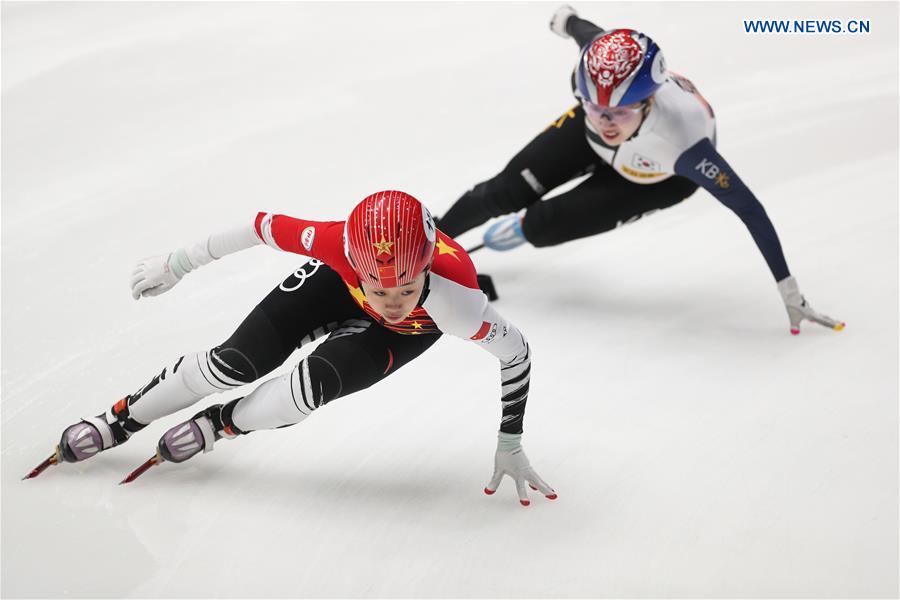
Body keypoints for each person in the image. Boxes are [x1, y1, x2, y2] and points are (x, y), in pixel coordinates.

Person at [31, 190, 555, 506]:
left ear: (426, 270)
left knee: (312, 387)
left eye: (405, 288)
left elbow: (517, 353)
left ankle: (222, 425)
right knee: (231, 363)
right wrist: (178, 263)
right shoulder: (336, 242)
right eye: (379, 288)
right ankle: (120, 419)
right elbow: (258, 227)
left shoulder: (456, 299)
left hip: (406, 336)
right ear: (356, 264)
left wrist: (510, 439)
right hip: (331, 284)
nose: (392, 301)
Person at [438, 6, 843, 336]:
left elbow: (749, 208)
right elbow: (589, 34)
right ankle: (429, 241)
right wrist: (567, 21)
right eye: (593, 107)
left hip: (656, 178)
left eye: (618, 112)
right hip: (602, 144)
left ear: (648, 101)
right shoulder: (602, 82)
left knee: (544, 226)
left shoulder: (686, 145)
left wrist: (789, 290)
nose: (605, 121)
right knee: (500, 192)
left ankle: (528, 228)